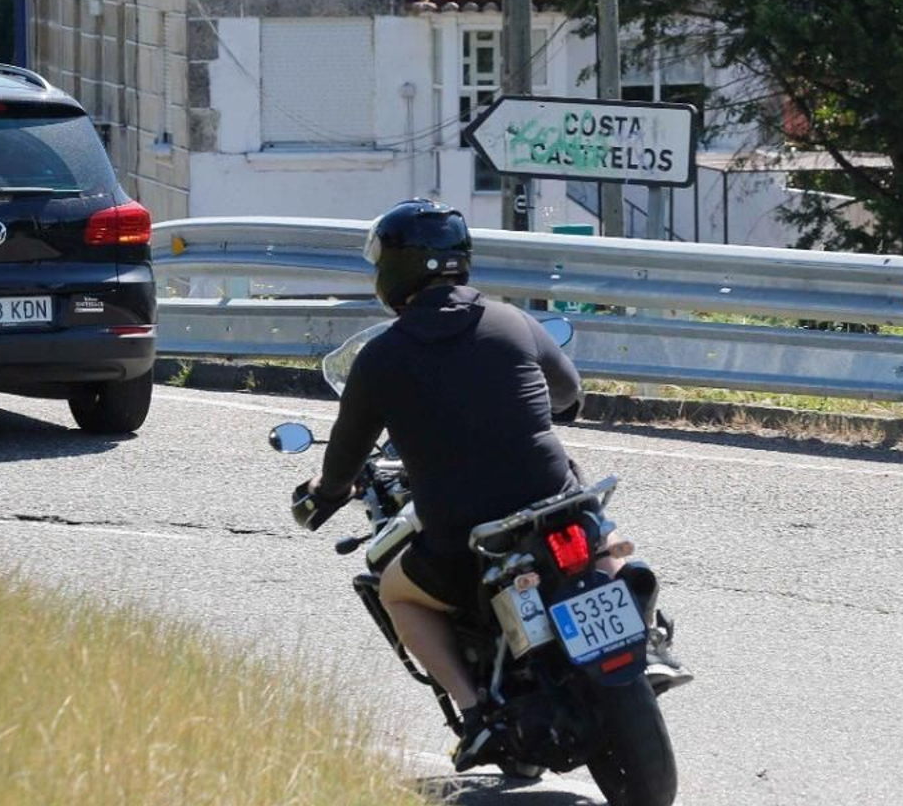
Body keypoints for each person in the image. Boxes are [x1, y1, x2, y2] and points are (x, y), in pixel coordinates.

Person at [292, 198, 691, 771]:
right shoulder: (511, 320)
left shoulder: (380, 358)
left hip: (464, 540)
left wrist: (327, 495)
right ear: (461, 260)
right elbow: (570, 395)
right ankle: (644, 633)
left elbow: (342, 463)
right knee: (599, 544)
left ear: (393, 269)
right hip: (557, 507)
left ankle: (475, 707)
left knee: (396, 592)